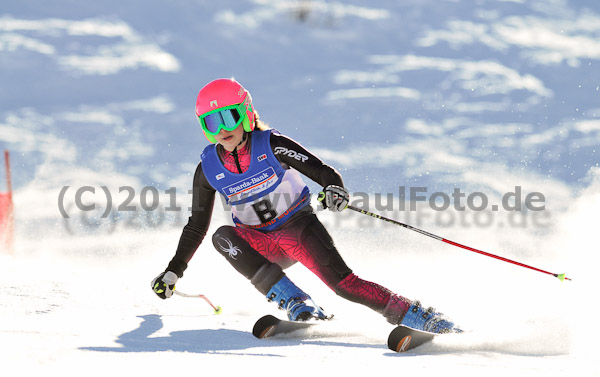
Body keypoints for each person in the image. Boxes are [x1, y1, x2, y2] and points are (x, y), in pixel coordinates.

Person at [151, 78, 459, 333]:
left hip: (296, 230)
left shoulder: (271, 144)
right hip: (260, 245)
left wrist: (334, 190)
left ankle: (422, 318)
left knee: (345, 286)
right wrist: (174, 271)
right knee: (222, 236)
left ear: (245, 113)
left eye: (228, 117)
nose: (221, 129)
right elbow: (196, 225)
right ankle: (298, 302)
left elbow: (325, 173)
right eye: (211, 121)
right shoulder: (208, 168)